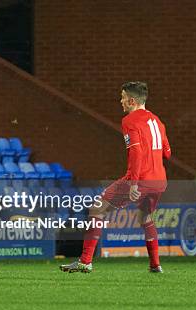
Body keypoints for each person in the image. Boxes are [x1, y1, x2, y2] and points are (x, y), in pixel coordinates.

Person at [60, 81, 171, 273]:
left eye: (122, 97)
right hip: (159, 180)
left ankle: (85, 261)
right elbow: (167, 153)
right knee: (145, 217)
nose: (120, 101)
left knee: (97, 209)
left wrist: (134, 184)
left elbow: (135, 152)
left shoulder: (130, 120)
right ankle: (155, 265)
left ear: (132, 100)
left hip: (139, 179)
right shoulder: (157, 121)